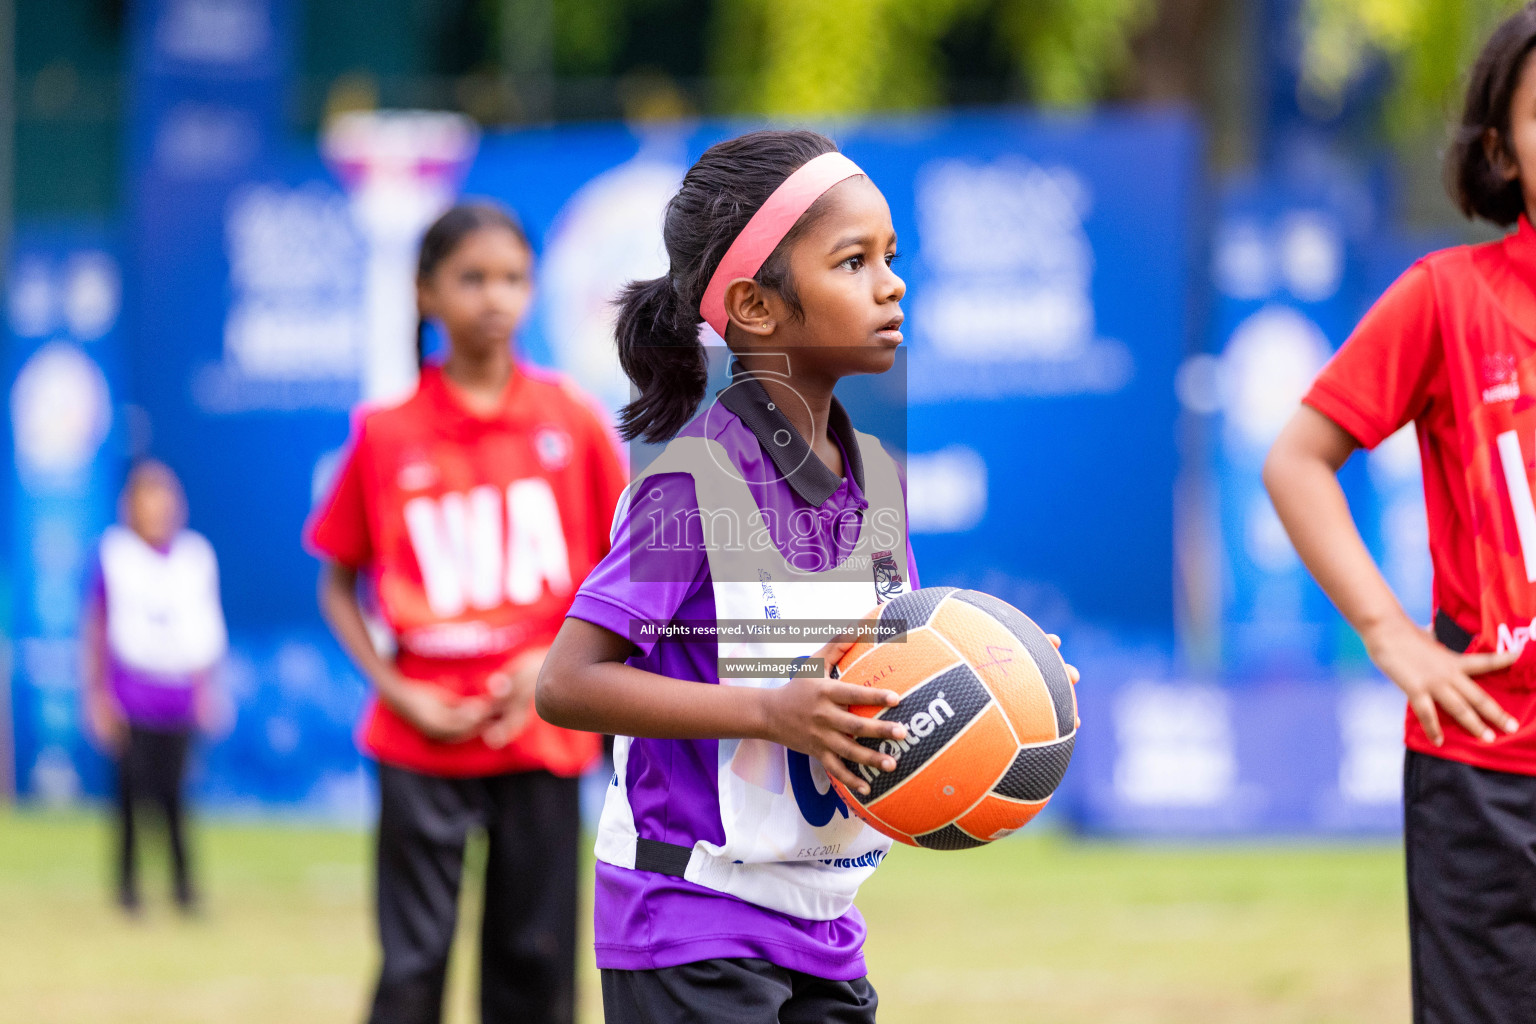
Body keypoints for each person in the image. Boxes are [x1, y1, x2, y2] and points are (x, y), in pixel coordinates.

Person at [537, 129, 1076, 1023]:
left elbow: (881, 668)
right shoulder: (691, 482)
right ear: (754, 306)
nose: (892, 284)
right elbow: (566, 684)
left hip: (823, 922)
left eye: (891, 258)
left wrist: (1002, 675)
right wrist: (767, 710)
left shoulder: (880, 478)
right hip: (688, 921)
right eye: (854, 261)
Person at [1265, 6, 1536, 1020]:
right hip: (1489, 769)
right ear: (1501, 150)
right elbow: (1298, 461)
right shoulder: (1444, 298)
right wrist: (1391, 633)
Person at [306, 201, 628, 1024]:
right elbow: (338, 583)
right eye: (471, 278)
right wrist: (393, 687)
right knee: (412, 963)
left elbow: (623, 573)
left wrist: (551, 665)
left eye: (513, 279)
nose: (495, 298)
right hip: (421, 734)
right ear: (424, 294)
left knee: (535, 961)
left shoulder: (572, 421)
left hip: (543, 731)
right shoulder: (385, 433)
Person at [83, 459, 227, 916]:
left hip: (177, 696)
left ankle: (184, 889)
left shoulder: (194, 557)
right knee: (128, 800)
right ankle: (128, 890)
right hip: (131, 695)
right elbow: (96, 628)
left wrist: (207, 691)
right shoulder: (115, 555)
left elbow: (204, 630)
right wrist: (98, 696)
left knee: (176, 799)